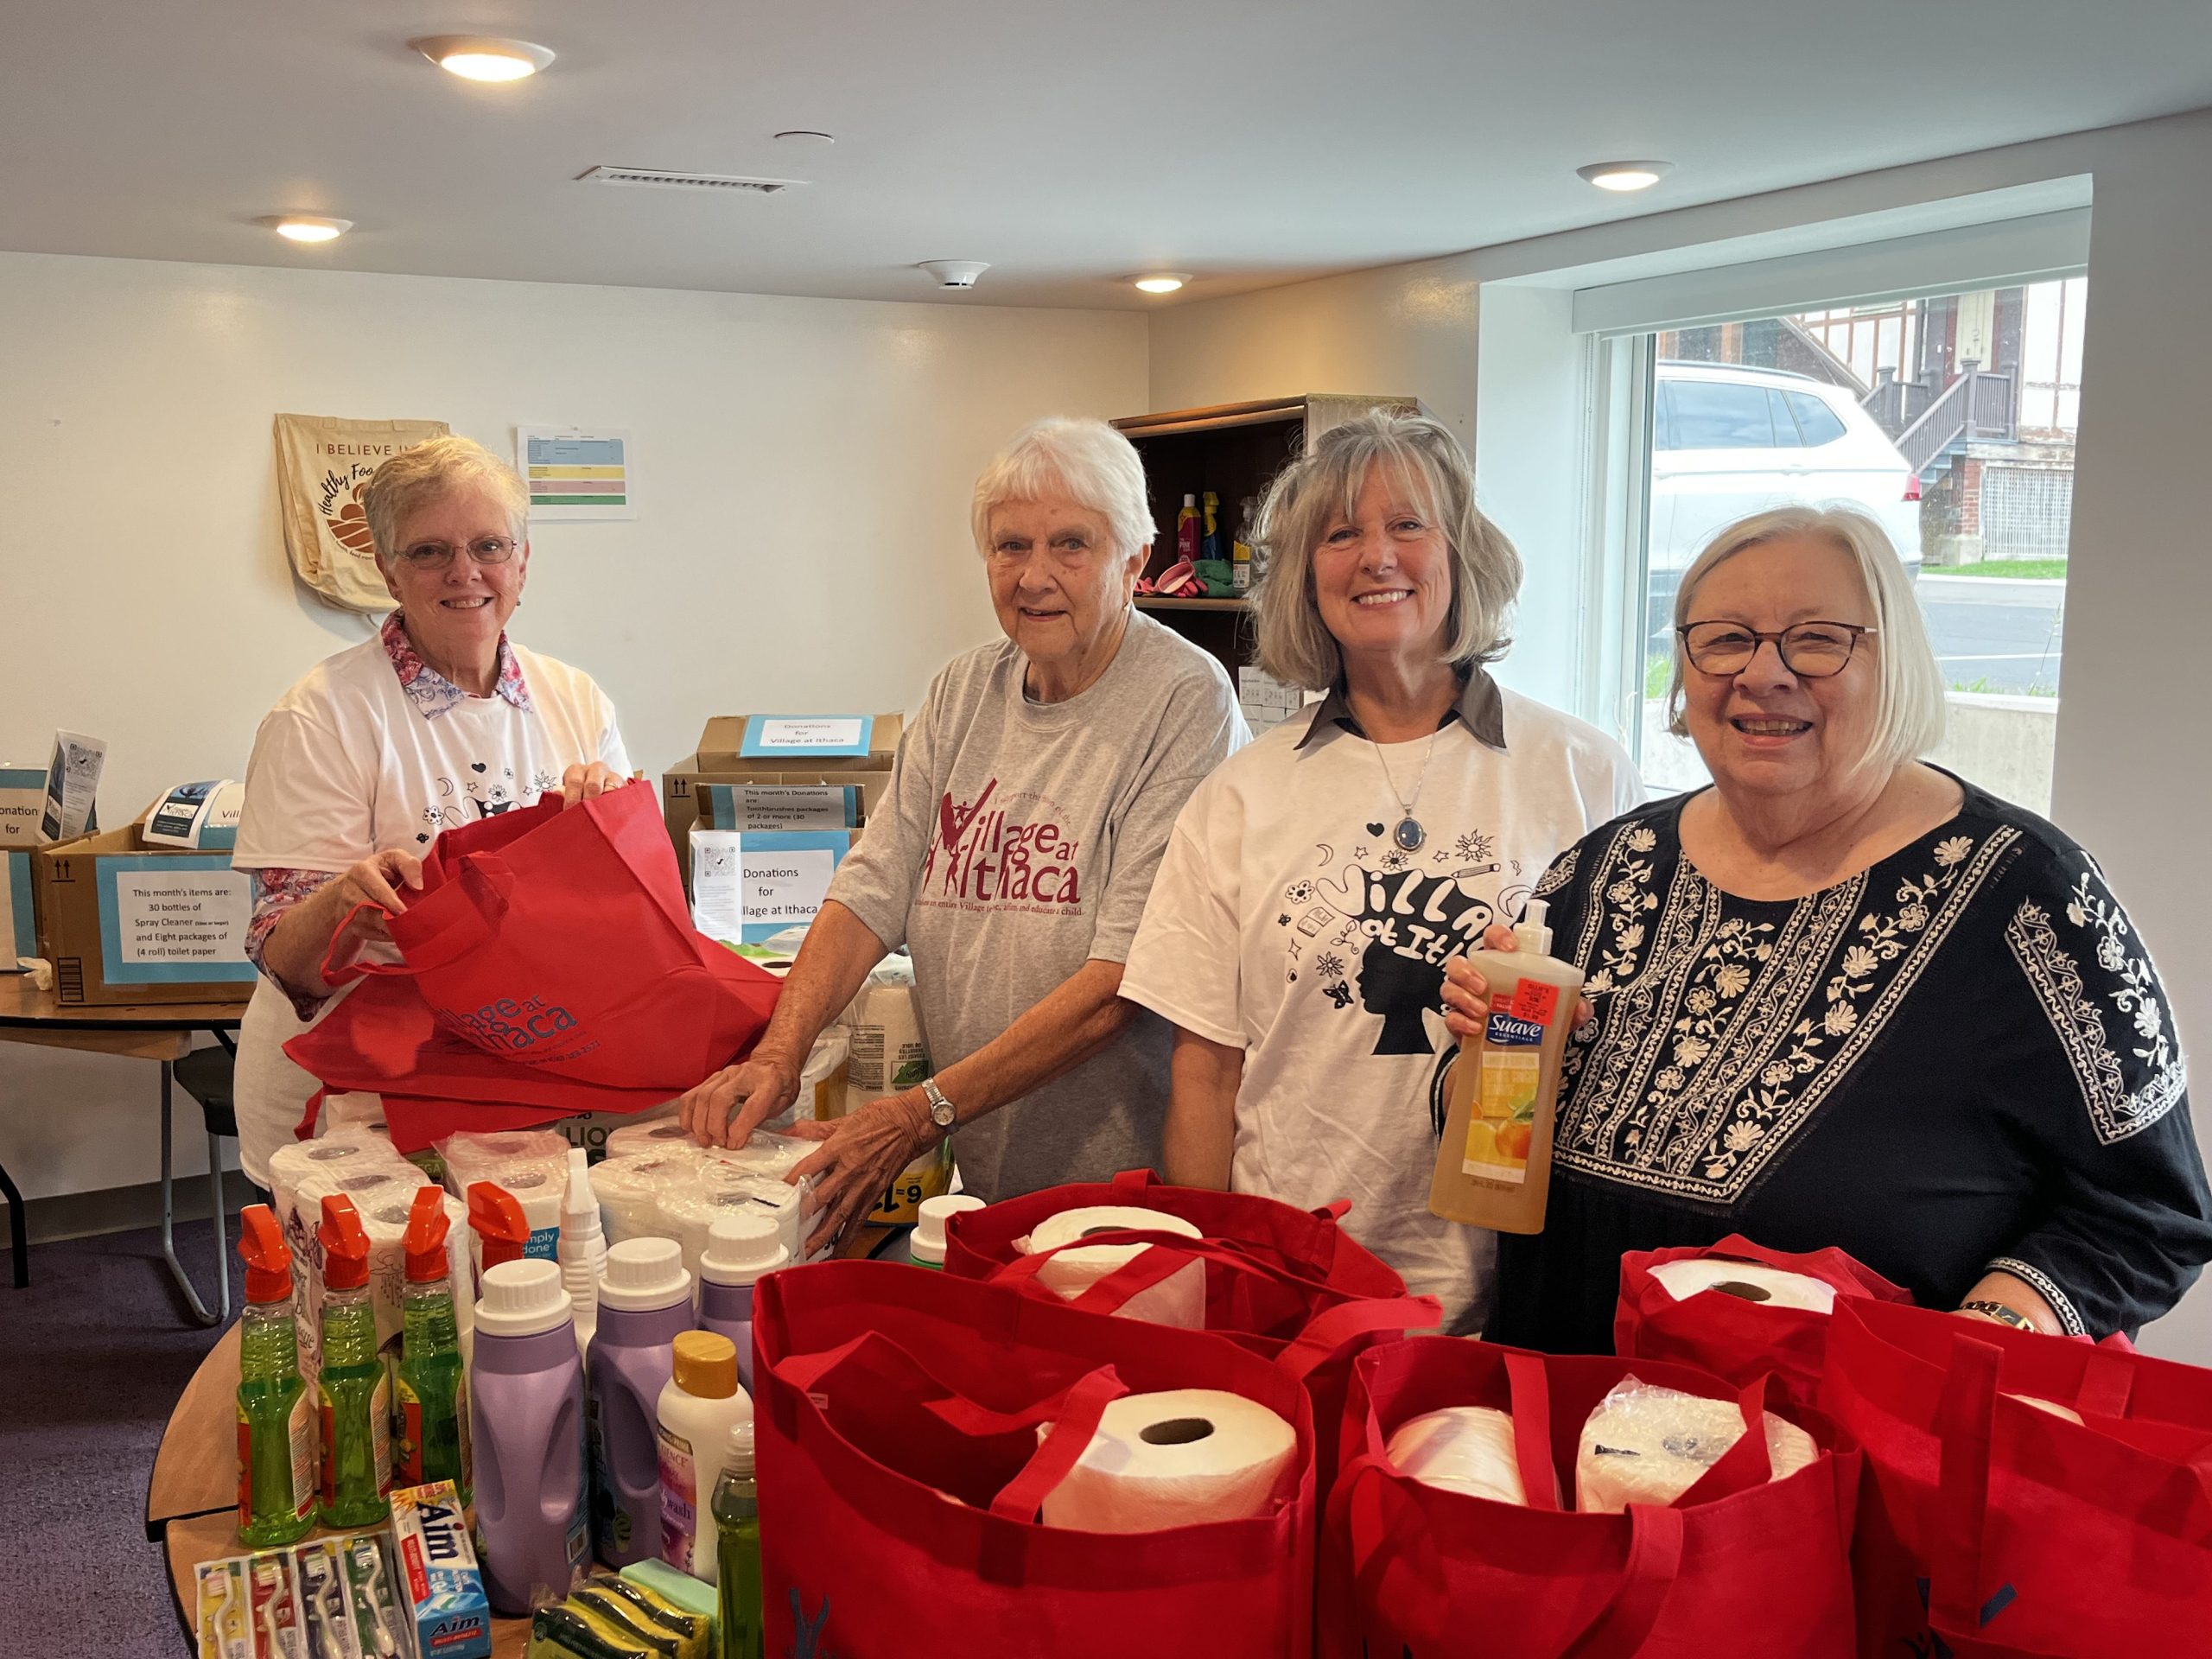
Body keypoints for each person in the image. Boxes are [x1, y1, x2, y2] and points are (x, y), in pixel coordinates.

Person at [1452, 504, 2211, 1351]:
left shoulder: (2032, 896)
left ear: (1893, 664)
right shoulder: (1597, 871)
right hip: (1565, 1436)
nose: (1764, 674)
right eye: (1725, 638)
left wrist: (1982, 1340)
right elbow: (1493, 1144)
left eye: (1816, 639)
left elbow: (2149, 1213)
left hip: (1849, 1459)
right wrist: (1490, 1051)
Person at [1118, 411, 1642, 1332]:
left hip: (1518, 1286)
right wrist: (1212, 1281)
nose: (1376, 556)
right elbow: (1204, 1073)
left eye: (1408, 524)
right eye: (1340, 533)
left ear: (1462, 550)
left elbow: (1635, 1034)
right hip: (1296, 1280)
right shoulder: (1240, 795)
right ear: (1304, 575)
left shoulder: (1582, 771)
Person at [677, 417, 1246, 1245]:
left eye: (1072, 545)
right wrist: (777, 1057)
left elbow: (1120, 984)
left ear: (1134, 559)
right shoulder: (961, 692)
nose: (1035, 576)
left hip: (1127, 1199)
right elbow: (872, 892)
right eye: (1011, 546)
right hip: (985, 1185)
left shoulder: (1185, 700)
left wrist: (920, 1113)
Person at [229, 436, 628, 1188]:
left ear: (523, 561)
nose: (465, 572)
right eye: (429, 551)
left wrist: (609, 836)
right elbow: (284, 961)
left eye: (488, 545)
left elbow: (615, 916)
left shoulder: (575, 699)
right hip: (351, 1099)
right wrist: (343, 902)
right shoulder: (321, 716)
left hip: (516, 1074)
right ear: (386, 569)